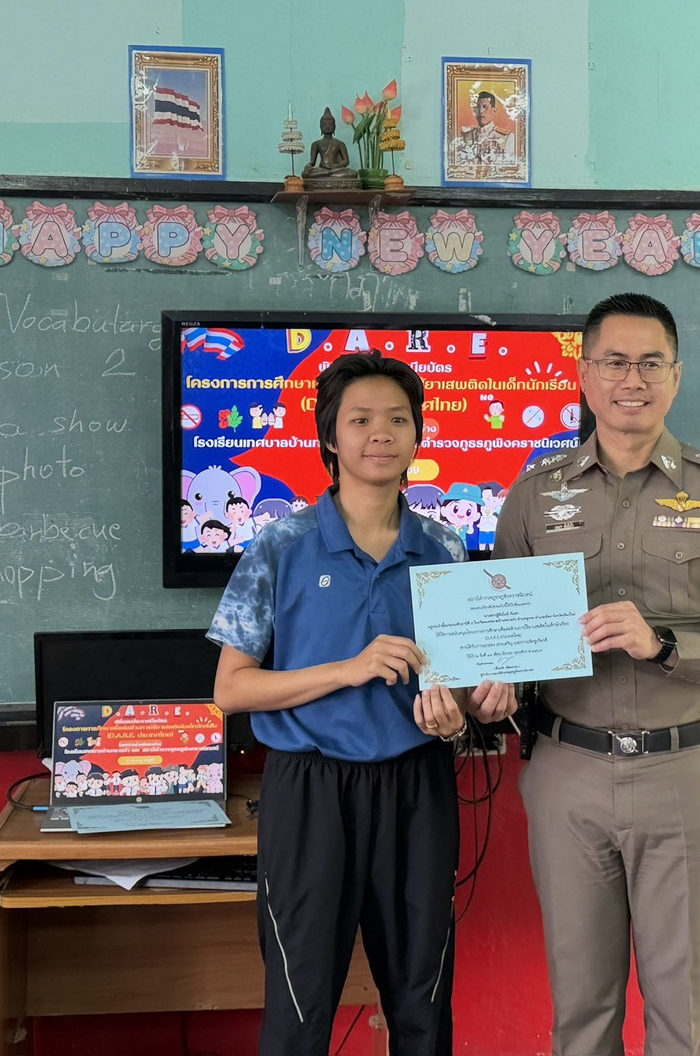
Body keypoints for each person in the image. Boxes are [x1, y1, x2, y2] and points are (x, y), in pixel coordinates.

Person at [493, 293, 700, 1056]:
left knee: (681, 1019)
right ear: (583, 374)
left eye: (651, 363)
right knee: (581, 1015)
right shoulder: (532, 495)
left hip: (682, 771)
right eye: (615, 362)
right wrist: (490, 688)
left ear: (676, 375)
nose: (633, 379)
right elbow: (503, 644)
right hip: (567, 773)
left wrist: (664, 645)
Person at [208, 350, 516, 1056]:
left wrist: (475, 703)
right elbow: (232, 688)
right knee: (300, 1001)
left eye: (398, 419)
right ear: (329, 436)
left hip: (416, 788)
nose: (381, 433)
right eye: (360, 419)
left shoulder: (442, 546)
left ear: (418, 435)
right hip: (309, 790)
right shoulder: (281, 545)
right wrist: (348, 670)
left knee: (421, 1000)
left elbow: (462, 685)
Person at [459, 90, 512, 165]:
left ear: (494, 111)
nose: (481, 111)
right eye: (478, 107)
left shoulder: (507, 137)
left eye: (485, 107)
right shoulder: (466, 136)